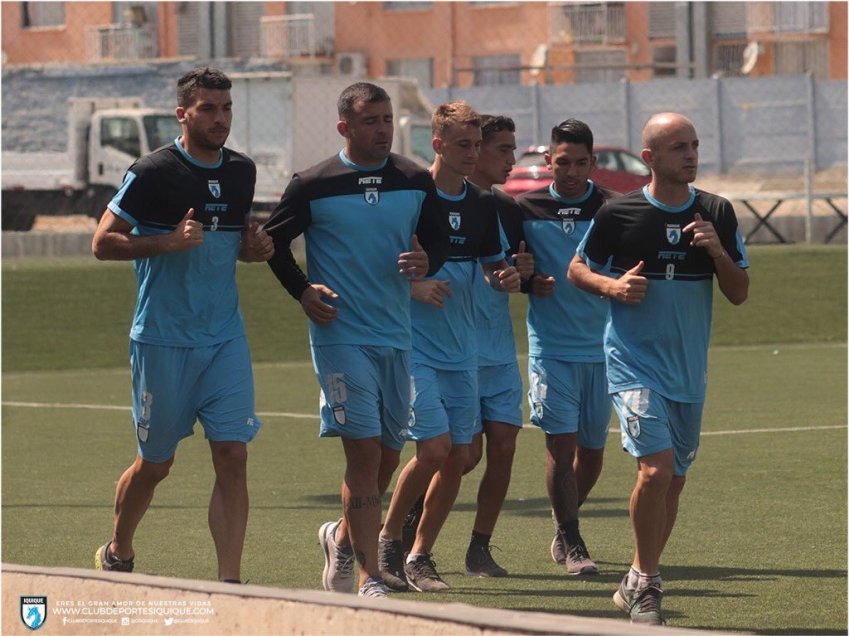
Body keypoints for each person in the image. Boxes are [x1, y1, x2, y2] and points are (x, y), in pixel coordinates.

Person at [262, 82, 450, 599]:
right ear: (345, 126)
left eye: (387, 119)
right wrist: (302, 292)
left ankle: (340, 540)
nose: (383, 129)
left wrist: (426, 260)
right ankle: (370, 578)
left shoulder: (414, 178)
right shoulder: (313, 183)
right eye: (371, 121)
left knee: (388, 456)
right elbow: (273, 243)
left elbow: (437, 238)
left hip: (397, 336)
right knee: (364, 456)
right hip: (340, 335)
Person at [91, 67, 274, 584]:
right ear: (183, 113)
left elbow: (235, 244)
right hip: (162, 341)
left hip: (225, 339)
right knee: (155, 465)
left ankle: (230, 584)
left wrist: (253, 249)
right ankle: (119, 548)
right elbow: (102, 243)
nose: (220, 119)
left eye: (227, 109)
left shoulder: (242, 171)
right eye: (209, 109)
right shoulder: (152, 171)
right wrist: (166, 242)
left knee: (232, 456)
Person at [567, 112, 749, 625]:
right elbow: (577, 269)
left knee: (673, 482)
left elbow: (738, 293)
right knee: (655, 470)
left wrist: (717, 251)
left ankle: (635, 574)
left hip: (688, 371)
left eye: (693, 145)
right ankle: (649, 583)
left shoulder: (717, 211)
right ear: (649, 158)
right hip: (632, 364)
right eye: (677, 147)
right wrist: (613, 287)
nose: (690, 155)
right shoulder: (619, 214)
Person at [377, 102, 522, 593]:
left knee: (459, 457)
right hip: (413, 346)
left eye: (476, 144)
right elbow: (373, 263)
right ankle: (388, 538)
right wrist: (412, 288)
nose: (472, 153)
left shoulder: (483, 204)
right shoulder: (411, 196)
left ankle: (420, 556)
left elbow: (493, 265)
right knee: (435, 448)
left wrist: (505, 277)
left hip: (464, 351)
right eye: (463, 144)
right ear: (436, 144)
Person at [517, 119, 618, 576]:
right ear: (547, 161)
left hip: (605, 349)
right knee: (561, 447)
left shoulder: (614, 209)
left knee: (593, 452)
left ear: (593, 162)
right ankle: (574, 541)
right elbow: (507, 267)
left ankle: (563, 523)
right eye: (563, 162)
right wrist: (528, 282)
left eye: (581, 162)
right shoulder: (525, 208)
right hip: (552, 348)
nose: (571, 171)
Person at [462, 114, 530, 578]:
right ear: (474, 151)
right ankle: (404, 535)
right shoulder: (436, 203)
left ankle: (479, 549)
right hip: (453, 348)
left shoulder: (507, 208)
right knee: (461, 455)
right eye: (502, 150)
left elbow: (514, 276)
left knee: (504, 445)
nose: (511, 159)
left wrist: (520, 274)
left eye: (513, 148)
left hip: (498, 347)